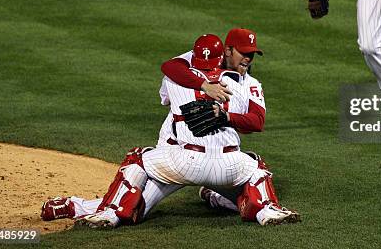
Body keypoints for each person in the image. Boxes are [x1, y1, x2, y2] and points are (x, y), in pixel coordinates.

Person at [40, 33, 299, 227]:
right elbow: (256, 121)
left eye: (251, 54)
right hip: (226, 161)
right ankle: (266, 210)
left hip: (179, 158)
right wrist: (226, 114)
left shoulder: (178, 75)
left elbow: (169, 73)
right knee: (254, 167)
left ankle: (95, 210)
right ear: (226, 53)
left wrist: (200, 87)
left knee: (137, 173)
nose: (248, 59)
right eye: (244, 53)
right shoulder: (242, 84)